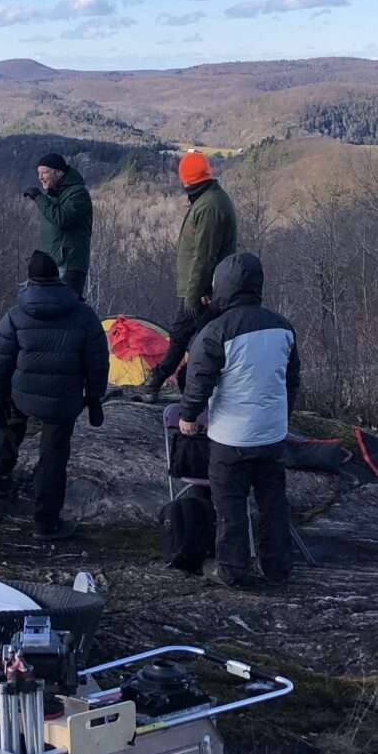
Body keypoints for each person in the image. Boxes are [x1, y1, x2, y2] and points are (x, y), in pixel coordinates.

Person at [177, 251, 300, 588]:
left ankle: (232, 569)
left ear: (223, 287)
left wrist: (188, 416)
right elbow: (291, 381)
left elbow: (198, 379)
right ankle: (277, 566)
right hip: (272, 434)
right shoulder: (283, 327)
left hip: (231, 437)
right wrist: (281, 418)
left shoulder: (217, 330)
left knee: (230, 505)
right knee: (273, 503)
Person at [0, 251, 109, 541]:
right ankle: (46, 522)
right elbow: (97, 361)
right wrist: (94, 399)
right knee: (53, 457)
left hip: (22, 393)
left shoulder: (15, 315)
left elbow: (0, 361)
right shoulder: (83, 315)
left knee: (9, 429)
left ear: (29, 280)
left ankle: (1, 480)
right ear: (57, 278)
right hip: (63, 398)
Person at [142, 151, 238, 398]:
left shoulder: (209, 207)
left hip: (202, 290)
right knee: (192, 338)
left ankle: (158, 382)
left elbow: (204, 257)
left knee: (182, 337)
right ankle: (178, 382)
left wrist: (194, 295)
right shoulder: (209, 200)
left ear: (187, 180)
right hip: (204, 287)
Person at [24, 151, 93, 298]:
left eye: (45, 172)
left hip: (69, 265)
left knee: (67, 311)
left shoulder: (78, 193)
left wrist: (39, 198)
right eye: (39, 173)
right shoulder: (53, 195)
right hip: (52, 266)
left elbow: (62, 218)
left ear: (58, 172)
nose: (40, 177)